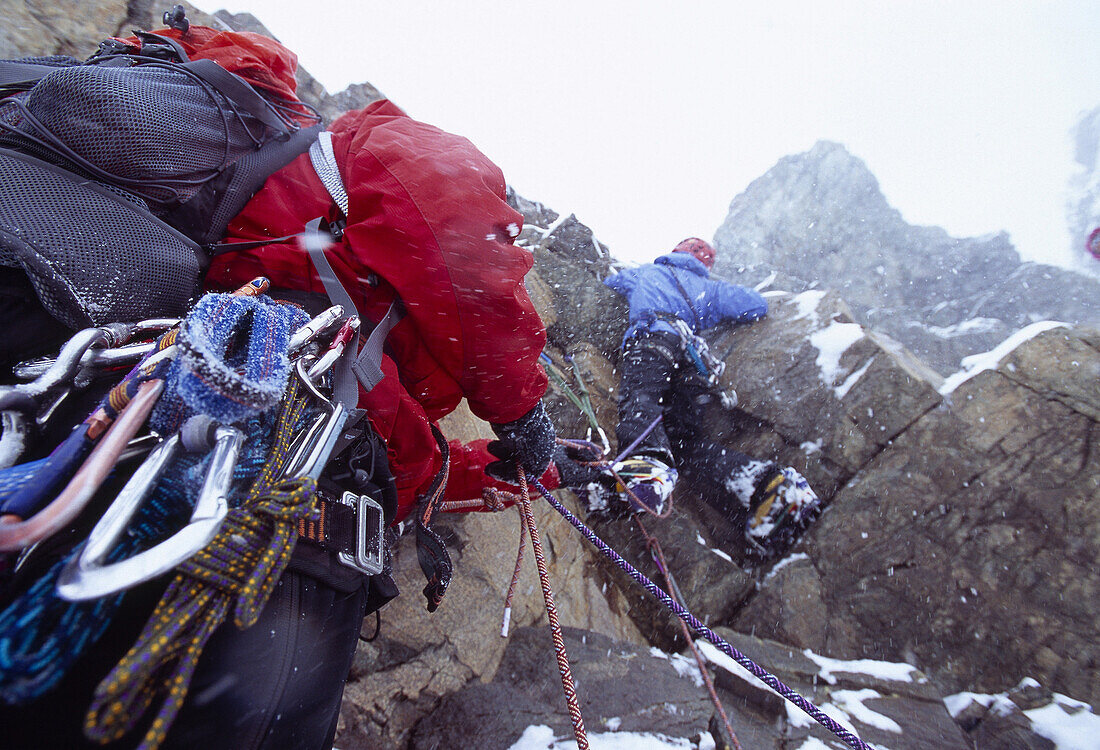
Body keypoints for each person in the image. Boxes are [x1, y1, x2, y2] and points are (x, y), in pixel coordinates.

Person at [0, 23, 568, 750]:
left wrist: (504, 465)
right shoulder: (355, 152)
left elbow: (396, 439)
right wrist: (520, 408)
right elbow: (455, 215)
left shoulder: (265, 251)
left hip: (177, 444)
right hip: (286, 505)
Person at [600, 237, 821, 560]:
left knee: (641, 402)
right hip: (691, 366)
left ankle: (641, 475)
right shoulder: (711, 290)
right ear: (705, 264)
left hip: (652, 342)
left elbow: (610, 284)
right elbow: (755, 304)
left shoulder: (647, 274)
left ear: (676, 252)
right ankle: (769, 486)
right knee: (684, 446)